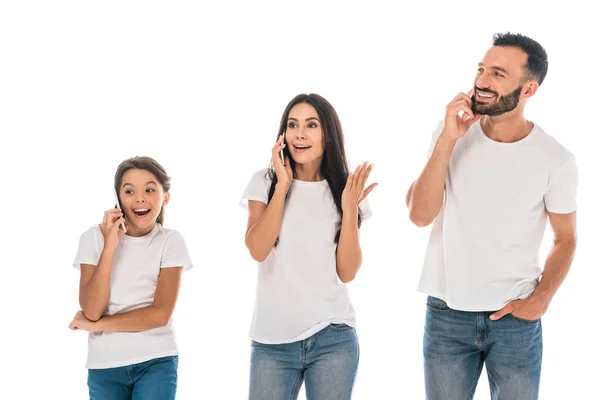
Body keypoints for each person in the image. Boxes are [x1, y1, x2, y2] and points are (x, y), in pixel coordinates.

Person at [406, 32, 578, 400]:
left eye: (498, 74)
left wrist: (542, 299)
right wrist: (447, 139)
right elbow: (419, 215)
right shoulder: (451, 135)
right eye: (481, 69)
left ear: (528, 89)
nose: (482, 81)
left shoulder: (556, 159)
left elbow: (566, 239)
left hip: (515, 319)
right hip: (446, 315)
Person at [241, 93, 376, 400]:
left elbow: (347, 271)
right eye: (292, 125)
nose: (300, 133)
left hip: (333, 337)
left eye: (311, 125)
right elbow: (258, 249)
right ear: (283, 135)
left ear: (327, 133)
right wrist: (284, 186)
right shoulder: (265, 181)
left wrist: (349, 207)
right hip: (272, 342)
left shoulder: (346, 189)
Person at [69, 156, 192, 400]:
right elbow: (92, 310)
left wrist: (97, 325)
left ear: (165, 198)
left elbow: (160, 315)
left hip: (156, 361)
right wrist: (109, 248)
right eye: (129, 191)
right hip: (105, 365)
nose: (140, 198)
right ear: (117, 198)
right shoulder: (92, 239)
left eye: (149, 189)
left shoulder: (171, 241)